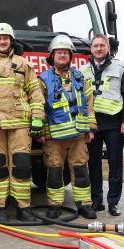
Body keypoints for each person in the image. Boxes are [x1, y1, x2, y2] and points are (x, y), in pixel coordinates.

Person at [0, 23, 44, 223]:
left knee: (22, 166)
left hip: (20, 124)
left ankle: (23, 208)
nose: (2, 41)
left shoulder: (24, 65)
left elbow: (35, 94)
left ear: (11, 41)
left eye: (6, 38)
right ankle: (1, 208)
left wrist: (38, 119)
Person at [37, 35, 97, 220]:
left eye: (65, 52)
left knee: (80, 170)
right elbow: (39, 107)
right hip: (54, 136)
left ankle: (84, 205)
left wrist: (91, 128)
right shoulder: (43, 79)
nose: (62, 55)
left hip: (78, 135)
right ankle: (55, 205)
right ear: (52, 55)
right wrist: (40, 132)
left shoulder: (80, 77)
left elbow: (88, 103)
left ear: (70, 55)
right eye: (59, 52)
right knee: (54, 172)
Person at [80, 35, 124, 216]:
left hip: (114, 122)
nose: (99, 48)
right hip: (92, 124)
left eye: (102, 45)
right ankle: (96, 201)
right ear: (91, 48)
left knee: (115, 164)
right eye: (95, 46)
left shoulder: (121, 67)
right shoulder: (82, 70)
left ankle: (113, 202)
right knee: (93, 163)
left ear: (108, 47)